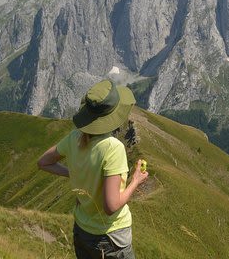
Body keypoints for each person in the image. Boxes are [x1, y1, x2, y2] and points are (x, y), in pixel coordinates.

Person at [37, 79, 149, 258]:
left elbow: (43, 162)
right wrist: (136, 180)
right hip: (111, 238)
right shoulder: (113, 148)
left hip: (82, 231)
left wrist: (73, 173)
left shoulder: (74, 137)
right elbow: (110, 206)